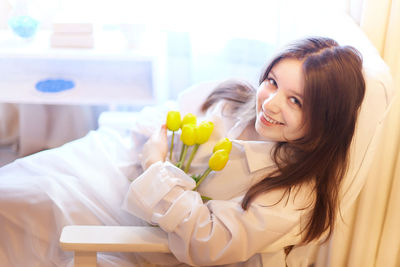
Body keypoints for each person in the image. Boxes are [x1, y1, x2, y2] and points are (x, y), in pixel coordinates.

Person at [122, 36, 366, 266]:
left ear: (326, 121)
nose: (270, 104)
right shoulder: (232, 97)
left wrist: (155, 164)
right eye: (272, 82)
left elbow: (208, 240)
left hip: (143, 239)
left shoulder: (291, 195)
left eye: (296, 101)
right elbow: (168, 115)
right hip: (124, 184)